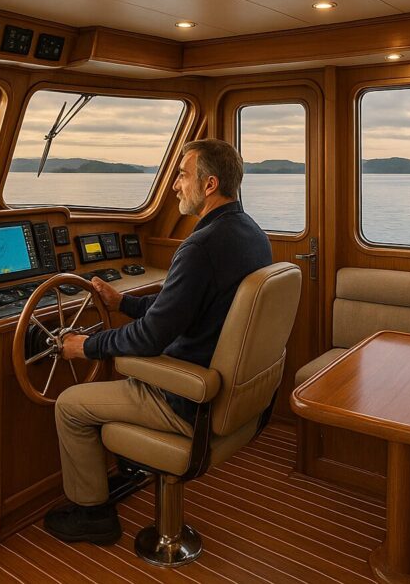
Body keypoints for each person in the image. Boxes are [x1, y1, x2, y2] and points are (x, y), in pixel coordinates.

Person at [44, 138, 273, 544]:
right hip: (228, 391)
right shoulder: (251, 233)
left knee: (70, 404)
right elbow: (181, 307)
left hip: (184, 396)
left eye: (183, 174)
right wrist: (124, 302)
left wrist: (85, 346)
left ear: (209, 184)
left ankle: (93, 514)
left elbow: (151, 337)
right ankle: (132, 464)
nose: (174, 185)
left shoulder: (200, 247)